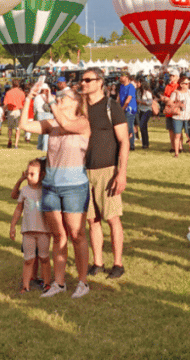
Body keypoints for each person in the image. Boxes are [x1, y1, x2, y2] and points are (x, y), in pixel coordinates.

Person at [19, 82, 91, 298]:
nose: (59, 97)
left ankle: (82, 282)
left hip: (74, 187)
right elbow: (24, 125)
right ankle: (59, 283)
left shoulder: (83, 123)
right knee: (59, 236)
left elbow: (66, 124)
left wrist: (50, 100)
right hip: (51, 186)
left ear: (77, 102)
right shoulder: (52, 123)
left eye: (64, 96)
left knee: (76, 235)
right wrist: (29, 97)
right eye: (58, 95)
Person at [71, 70, 129, 280]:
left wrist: (121, 173)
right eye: (82, 80)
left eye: (88, 80)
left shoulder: (111, 106)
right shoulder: (81, 108)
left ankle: (118, 263)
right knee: (92, 220)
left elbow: (124, 141)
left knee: (112, 218)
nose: (83, 83)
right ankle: (98, 262)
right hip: (83, 171)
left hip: (107, 170)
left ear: (100, 82)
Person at [9, 158, 51, 294]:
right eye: (28, 173)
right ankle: (25, 286)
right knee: (28, 259)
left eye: (32, 174)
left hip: (43, 232)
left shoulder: (46, 190)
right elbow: (18, 209)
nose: (29, 176)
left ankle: (47, 284)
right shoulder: (25, 191)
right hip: (28, 232)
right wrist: (12, 226)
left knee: (44, 258)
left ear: (42, 175)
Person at [3, 80, 25, 148]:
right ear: (18, 85)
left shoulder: (8, 92)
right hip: (18, 110)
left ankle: (9, 140)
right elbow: (23, 103)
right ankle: (16, 144)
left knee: (10, 128)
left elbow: (5, 104)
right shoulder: (22, 93)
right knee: (17, 129)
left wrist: (4, 113)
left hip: (10, 111)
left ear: (12, 85)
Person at [118, 73, 138, 151]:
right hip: (123, 108)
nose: (120, 77)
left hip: (130, 109)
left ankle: (131, 145)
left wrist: (122, 108)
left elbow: (128, 99)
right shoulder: (121, 86)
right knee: (123, 126)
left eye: (122, 76)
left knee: (129, 126)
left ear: (126, 77)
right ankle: (125, 143)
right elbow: (119, 97)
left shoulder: (131, 86)